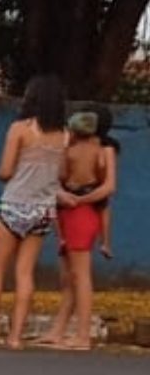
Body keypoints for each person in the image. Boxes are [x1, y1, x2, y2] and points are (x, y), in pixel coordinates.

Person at [0, 75, 67, 350]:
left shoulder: (20, 129)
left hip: (13, 205)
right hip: (43, 210)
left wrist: (7, 173)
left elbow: (6, 170)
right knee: (25, 273)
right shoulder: (65, 136)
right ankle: (15, 337)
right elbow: (63, 175)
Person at [38, 104, 119, 350]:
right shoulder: (81, 150)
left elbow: (108, 188)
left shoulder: (101, 151)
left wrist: (79, 199)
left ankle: (83, 335)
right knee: (69, 276)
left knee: (80, 275)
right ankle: (58, 330)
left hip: (79, 212)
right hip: (70, 211)